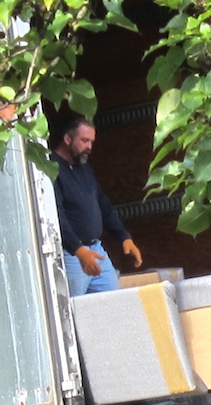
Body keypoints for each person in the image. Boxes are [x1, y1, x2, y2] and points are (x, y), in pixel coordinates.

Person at [51, 117, 143, 295]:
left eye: (91, 142)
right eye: (84, 141)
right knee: (73, 310)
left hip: (96, 249)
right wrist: (78, 250)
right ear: (68, 139)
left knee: (113, 302)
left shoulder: (84, 168)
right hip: (73, 255)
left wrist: (124, 236)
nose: (89, 147)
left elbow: (102, 204)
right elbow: (56, 216)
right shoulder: (52, 168)